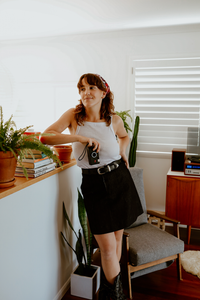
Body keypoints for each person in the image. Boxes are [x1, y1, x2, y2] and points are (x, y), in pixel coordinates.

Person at [41, 73, 143, 300]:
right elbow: (45, 137)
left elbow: (125, 137)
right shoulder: (74, 116)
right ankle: (115, 296)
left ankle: (111, 291)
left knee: (117, 240)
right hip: (94, 184)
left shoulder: (113, 120)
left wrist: (123, 151)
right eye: (82, 88)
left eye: (91, 88)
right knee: (106, 248)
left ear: (103, 92)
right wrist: (79, 138)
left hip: (119, 180)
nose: (86, 92)